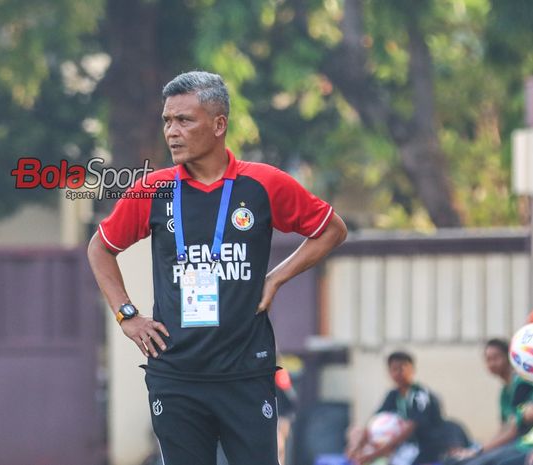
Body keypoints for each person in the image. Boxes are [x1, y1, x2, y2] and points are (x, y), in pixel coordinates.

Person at [87, 70, 347, 465]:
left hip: (245, 373)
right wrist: (127, 315)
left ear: (219, 124)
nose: (171, 132)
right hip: (176, 375)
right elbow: (100, 248)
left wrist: (276, 277)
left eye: (184, 120)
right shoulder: (154, 189)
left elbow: (331, 229)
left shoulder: (263, 184)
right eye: (167, 121)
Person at [346, 351, 446, 465]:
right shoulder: (393, 395)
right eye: (395, 369)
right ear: (389, 372)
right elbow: (374, 422)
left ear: (412, 370)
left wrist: (376, 454)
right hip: (402, 448)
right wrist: (357, 446)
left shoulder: (420, 394)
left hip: (425, 448)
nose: (399, 372)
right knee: (356, 431)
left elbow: (409, 428)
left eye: (403, 368)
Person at [448, 339, 533, 462]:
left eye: (496, 358)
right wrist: (479, 448)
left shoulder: (523, 383)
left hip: (524, 444)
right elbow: (504, 428)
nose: (492, 363)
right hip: (516, 444)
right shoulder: (505, 392)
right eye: (488, 359)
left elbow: (512, 431)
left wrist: (479, 451)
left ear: (509, 357)